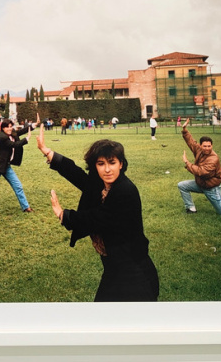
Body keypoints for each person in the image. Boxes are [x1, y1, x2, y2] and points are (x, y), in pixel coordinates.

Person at [36, 126, 159, 302]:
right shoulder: (102, 184)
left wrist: (64, 215)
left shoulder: (125, 190)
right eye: (101, 164)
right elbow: (78, 175)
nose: (107, 169)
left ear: (121, 164)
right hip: (115, 265)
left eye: (112, 162)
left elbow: (97, 218)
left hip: (132, 269)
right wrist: (46, 151)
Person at [0, 118, 34, 215]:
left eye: (10, 126)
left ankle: (26, 207)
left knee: (18, 186)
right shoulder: (2, 137)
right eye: (7, 127)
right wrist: (27, 139)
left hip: (7, 166)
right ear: (3, 128)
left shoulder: (12, 133)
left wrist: (33, 125)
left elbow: (20, 131)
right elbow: (14, 144)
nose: (9, 129)